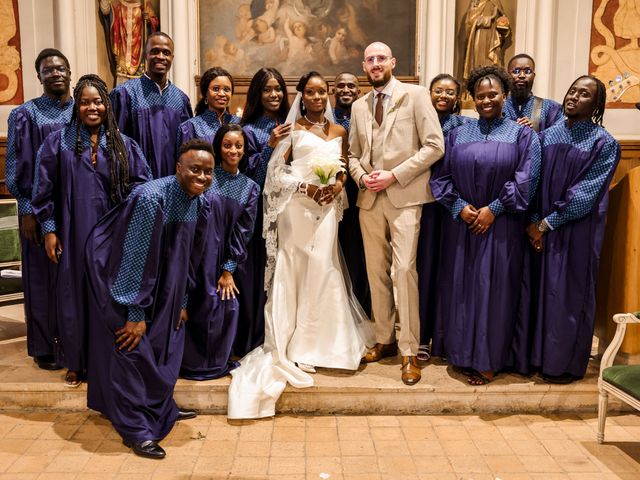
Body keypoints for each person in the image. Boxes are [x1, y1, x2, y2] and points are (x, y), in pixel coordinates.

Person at [227, 71, 373, 419]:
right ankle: (293, 343)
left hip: (326, 210)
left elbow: (342, 168)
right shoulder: (291, 130)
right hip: (297, 206)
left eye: (322, 91)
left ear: (329, 94)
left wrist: (337, 186)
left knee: (323, 267)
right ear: (302, 96)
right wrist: (306, 189)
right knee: (295, 265)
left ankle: (322, 343)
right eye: (310, 91)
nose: (317, 96)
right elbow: (276, 172)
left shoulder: (339, 131)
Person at [84, 139, 213, 459]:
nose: (202, 176)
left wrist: (181, 301)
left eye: (208, 171)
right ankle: (137, 430)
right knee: (133, 355)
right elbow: (135, 256)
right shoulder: (151, 198)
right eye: (195, 169)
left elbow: (188, 256)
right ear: (177, 168)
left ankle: (161, 410)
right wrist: (134, 311)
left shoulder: (197, 199)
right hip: (131, 286)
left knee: (164, 348)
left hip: (166, 286)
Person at [31, 74, 152, 387]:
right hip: (74, 232)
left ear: (107, 105)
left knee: (107, 299)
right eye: (84, 102)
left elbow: (143, 185)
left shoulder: (125, 144)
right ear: (77, 106)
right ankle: (76, 362)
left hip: (113, 235)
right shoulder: (58, 142)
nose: (91, 107)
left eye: (97, 101)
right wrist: (49, 229)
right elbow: (43, 190)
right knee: (73, 296)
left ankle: (107, 361)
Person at [430, 65, 541, 385]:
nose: (486, 100)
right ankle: (463, 354)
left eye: (493, 94)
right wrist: (458, 206)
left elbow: (526, 180)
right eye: (480, 96)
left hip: (501, 227)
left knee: (497, 293)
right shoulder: (457, 133)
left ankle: (490, 359)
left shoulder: (522, 135)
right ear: (472, 99)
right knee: (462, 291)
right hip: (463, 226)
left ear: (505, 95)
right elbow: (441, 177)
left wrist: (494, 208)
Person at [349, 42, 444, 385]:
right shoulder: (360, 105)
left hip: (405, 195)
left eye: (381, 59)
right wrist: (362, 177)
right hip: (369, 201)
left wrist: (394, 175)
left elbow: (435, 146)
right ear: (364, 65)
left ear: (393, 62)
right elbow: (353, 154)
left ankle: (409, 350)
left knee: (404, 270)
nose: (375, 64)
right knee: (375, 272)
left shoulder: (416, 95)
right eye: (369, 59)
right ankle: (385, 339)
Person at [526, 75, 621, 384]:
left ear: (595, 105)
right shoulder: (546, 136)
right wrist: (535, 221)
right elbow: (535, 181)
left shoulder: (603, 143)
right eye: (572, 91)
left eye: (584, 94)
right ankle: (537, 359)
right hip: (540, 230)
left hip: (577, 231)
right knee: (541, 293)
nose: (574, 97)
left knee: (568, 295)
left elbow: (586, 194)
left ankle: (563, 364)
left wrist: (545, 224)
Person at [5, 48, 73, 371]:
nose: (56, 74)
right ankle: (46, 348)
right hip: (37, 210)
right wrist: (29, 208)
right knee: (42, 279)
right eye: (49, 70)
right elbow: (13, 168)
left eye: (61, 68)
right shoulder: (25, 114)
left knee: (72, 276)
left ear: (70, 72)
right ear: (39, 77)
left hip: (74, 207)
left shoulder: (82, 110)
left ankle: (74, 343)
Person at [181, 125, 259, 380]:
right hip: (196, 253)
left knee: (224, 304)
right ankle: (188, 360)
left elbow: (242, 232)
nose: (233, 150)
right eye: (227, 145)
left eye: (238, 145)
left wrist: (228, 269)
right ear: (218, 146)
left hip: (226, 256)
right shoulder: (206, 177)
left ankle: (214, 361)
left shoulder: (250, 187)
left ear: (245, 149)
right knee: (193, 304)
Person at [233, 68, 290, 356]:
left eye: (278, 88)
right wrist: (269, 146)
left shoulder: (292, 125)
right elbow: (248, 177)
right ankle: (257, 335)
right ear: (258, 93)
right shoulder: (248, 130)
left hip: (290, 211)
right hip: (260, 212)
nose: (274, 94)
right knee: (260, 273)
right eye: (267, 89)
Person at [416, 73, 472, 361]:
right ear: (429, 94)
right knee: (424, 269)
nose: (444, 96)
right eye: (438, 90)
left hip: (452, 206)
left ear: (457, 98)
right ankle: (422, 335)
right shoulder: (418, 123)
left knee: (451, 270)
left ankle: (447, 335)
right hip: (423, 204)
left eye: (450, 92)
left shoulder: (466, 126)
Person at [110, 32, 193, 178]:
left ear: (172, 58)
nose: (161, 56)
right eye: (155, 51)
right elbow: (117, 143)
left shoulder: (181, 99)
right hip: (137, 182)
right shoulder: (125, 93)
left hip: (173, 182)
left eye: (166, 53)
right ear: (145, 55)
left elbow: (187, 147)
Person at [333, 72, 371, 316]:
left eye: (351, 85)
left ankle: (362, 309)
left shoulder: (365, 116)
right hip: (331, 193)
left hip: (362, 192)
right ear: (333, 90)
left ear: (359, 91)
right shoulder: (325, 119)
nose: (346, 89)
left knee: (360, 253)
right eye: (341, 85)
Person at [176, 67, 240, 148]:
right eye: (216, 89)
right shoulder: (190, 127)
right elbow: (184, 159)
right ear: (205, 93)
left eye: (227, 90)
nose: (222, 94)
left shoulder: (239, 123)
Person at [502, 53, 563, 132]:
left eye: (527, 71)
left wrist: (531, 133)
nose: (522, 75)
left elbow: (558, 138)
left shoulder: (551, 108)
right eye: (516, 71)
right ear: (508, 75)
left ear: (534, 76)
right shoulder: (498, 107)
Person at [462, 0, 511, 85]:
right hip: (479, 37)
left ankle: (494, 86)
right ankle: (474, 88)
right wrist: (488, 19)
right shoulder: (476, 2)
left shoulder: (496, 2)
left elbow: (504, 21)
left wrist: (503, 25)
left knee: (493, 64)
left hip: (494, 39)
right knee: (478, 65)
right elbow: (470, 22)